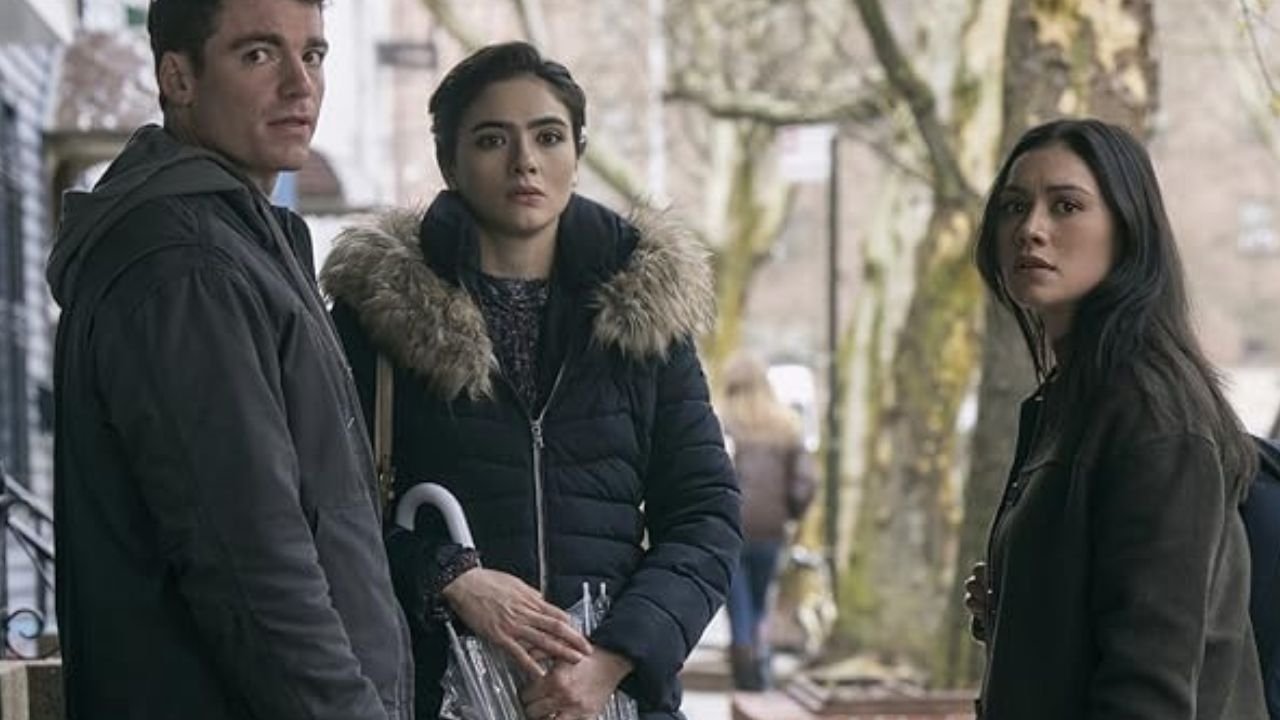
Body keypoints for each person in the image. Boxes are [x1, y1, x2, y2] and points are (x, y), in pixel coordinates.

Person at [321, 41, 742, 720]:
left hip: (612, 702)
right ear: (449, 162)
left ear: (577, 151)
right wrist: (450, 578)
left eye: (548, 136)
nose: (525, 161)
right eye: (492, 139)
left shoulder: (644, 320)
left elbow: (705, 517)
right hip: (438, 696)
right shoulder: (378, 317)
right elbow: (324, 509)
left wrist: (611, 662)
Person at [45, 0, 412, 717]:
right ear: (177, 78)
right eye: (258, 54)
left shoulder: (244, 245)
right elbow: (252, 565)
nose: (300, 85)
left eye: (313, 55)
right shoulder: (187, 269)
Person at [963, 118, 1267, 719]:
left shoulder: (1153, 419)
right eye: (1014, 206)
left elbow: (1149, 689)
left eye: (1067, 206)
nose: (1031, 229)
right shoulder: (1072, 400)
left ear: (1128, 230)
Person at [717, 353, 814, 691]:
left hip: (731, 528)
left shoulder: (722, 423)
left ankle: (745, 664)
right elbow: (804, 482)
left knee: (739, 604)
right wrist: (791, 513)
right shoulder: (786, 425)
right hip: (771, 530)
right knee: (761, 601)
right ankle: (761, 661)